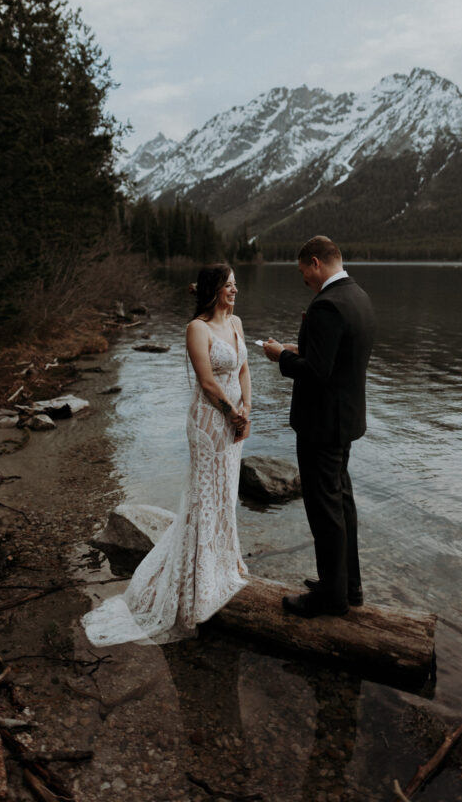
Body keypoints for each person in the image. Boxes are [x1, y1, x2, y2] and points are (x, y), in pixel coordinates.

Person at [82, 264, 251, 646]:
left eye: (236, 285)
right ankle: (198, 576)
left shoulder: (237, 322)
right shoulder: (197, 329)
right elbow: (207, 380)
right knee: (204, 495)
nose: (234, 290)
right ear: (213, 289)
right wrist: (231, 414)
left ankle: (226, 560)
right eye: (229, 285)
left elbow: (244, 370)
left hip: (236, 420)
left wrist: (248, 414)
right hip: (209, 422)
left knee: (227, 491)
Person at [263, 236, 375, 618]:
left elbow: (315, 374)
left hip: (321, 426)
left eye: (303, 273)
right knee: (341, 502)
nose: (304, 281)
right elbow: (336, 359)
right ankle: (347, 585)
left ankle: (331, 598)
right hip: (345, 421)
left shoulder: (327, 305)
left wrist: (281, 357)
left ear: (315, 263)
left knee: (324, 510)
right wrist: (300, 352)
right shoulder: (357, 295)